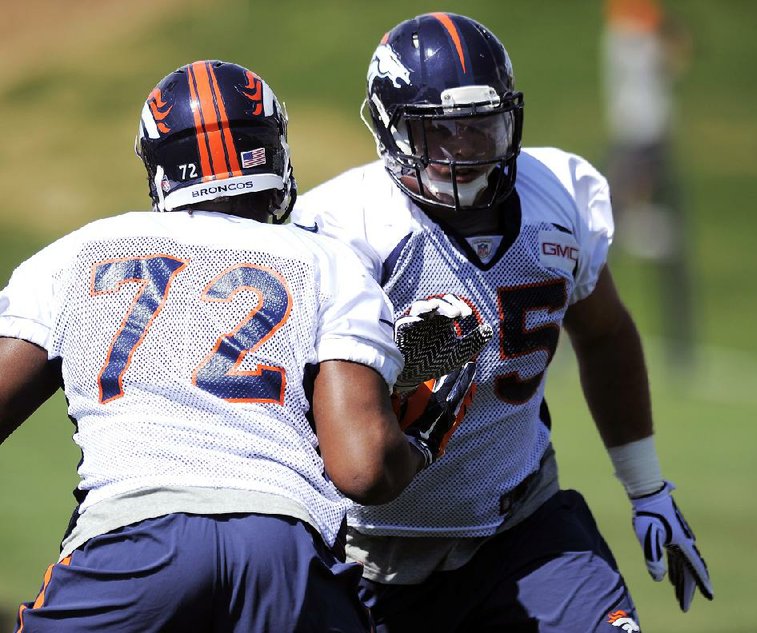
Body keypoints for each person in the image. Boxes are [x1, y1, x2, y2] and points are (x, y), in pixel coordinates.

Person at [0, 59, 474, 632]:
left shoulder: (77, 253)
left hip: (134, 541)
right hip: (283, 554)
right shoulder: (328, 264)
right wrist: (418, 440)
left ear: (160, 169)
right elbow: (363, 470)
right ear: (272, 154)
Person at [291, 13, 713, 632]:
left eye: (481, 128)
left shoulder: (558, 196)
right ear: (388, 128)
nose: (465, 150)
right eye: (442, 133)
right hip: (364, 554)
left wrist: (647, 487)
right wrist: (394, 377)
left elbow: (605, 334)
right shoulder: (339, 229)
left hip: (519, 531)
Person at [602, 0, 696, 366]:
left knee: (609, 239)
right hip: (642, 146)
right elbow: (677, 53)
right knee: (609, 239)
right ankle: (679, 344)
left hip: (643, 145)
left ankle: (679, 344)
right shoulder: (633, 36)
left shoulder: (624, 34)